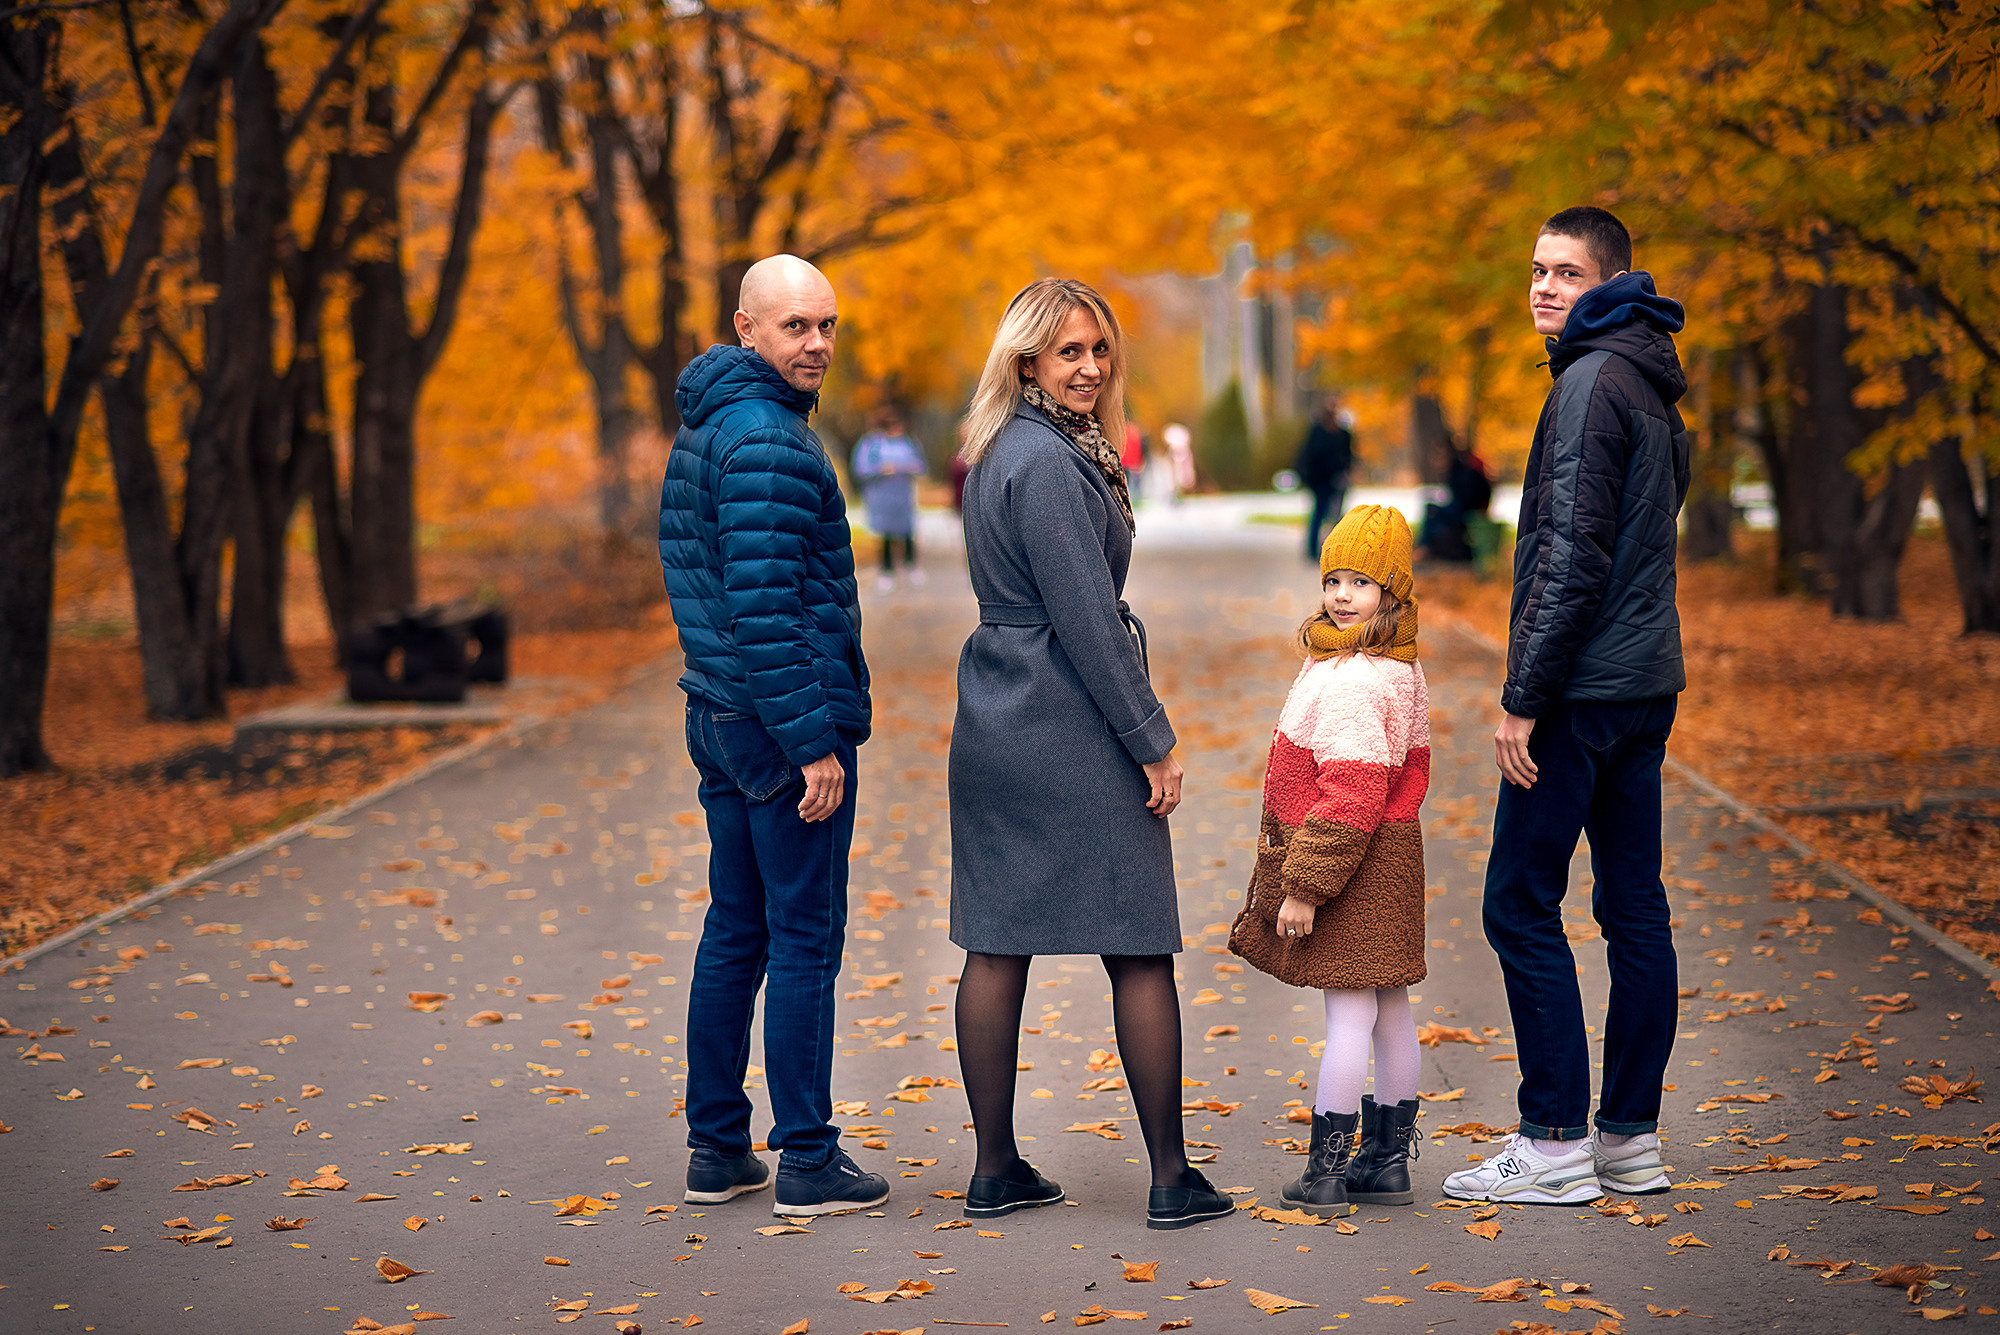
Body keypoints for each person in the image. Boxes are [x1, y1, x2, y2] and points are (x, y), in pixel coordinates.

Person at [947, 277, 1233, 1231]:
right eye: (1068, 351)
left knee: (998, 938)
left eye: (1100, 348)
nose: (1091, 367)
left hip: (997, 708)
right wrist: (1151, 741)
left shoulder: (997, 450)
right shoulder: (1049, 461)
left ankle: (995, 1169)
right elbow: (1087, 623)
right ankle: (1169, 1177)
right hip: (1066, 719)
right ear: (1026, 360)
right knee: (1139, 940)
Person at [1443, 207, 1691, 1206]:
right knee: (1633, 910)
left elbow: (1569, 561)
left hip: (1581, 694)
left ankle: (1551, 1144)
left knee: (1517, 902)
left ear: (1613, 279)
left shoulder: (1589, 383)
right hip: (1641, 686)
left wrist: (1520, 701)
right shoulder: (1644, 378)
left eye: (1565, 272)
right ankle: (1627, 1140)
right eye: (1534, 269)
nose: (1543, 287)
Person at [656, 254, 887, 1218]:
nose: (817, 344)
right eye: (795, 326)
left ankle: (717, 1149)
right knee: (801, 940)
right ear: (745, 328)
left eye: (827, 325)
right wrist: (812, 742)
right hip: (773, 724)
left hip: (718, 714)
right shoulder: (768, 443)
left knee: (735, 931)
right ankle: (805, 1158)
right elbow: (764, 610)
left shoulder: (713, 425)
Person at [1229, 505, 1431, 1217]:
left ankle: (1326, 1171)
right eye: (1334, 579)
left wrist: (1306, 887)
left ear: (1393, 592)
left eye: (1362, 582)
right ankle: (1386, 1162)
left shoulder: (1354, 679)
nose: (1343, 594)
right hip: (1393, 858)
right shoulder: (1397, 664)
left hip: (1354, 868)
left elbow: (1349, 793)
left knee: (1348, 1014)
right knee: (1390, 1006)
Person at [851, 405, 928, 592]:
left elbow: (920, 466)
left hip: (902, 496)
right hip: (881, 497)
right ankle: (887, 569)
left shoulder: (908, 443)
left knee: (907, 529)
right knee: (885, 532)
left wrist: (905, 467)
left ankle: (911, 565)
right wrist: (881, 469)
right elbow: (861, 468)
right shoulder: (871, 443)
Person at [1417, 435, 1495, 563]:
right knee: (1434, 516)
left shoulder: (1461, 473)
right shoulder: (1457, 471)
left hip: (1469, 511)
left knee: (1432, 511)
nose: (1437, 462)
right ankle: (1425, 548)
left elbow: (1463, 502)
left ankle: (1424, 548)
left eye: (1440, 456)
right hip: (1464, 509)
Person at [1295, 395, 1354, 559]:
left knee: (1337, 516)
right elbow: (1310, 456)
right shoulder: (1318, 432)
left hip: (1338, 480)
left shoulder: (1343, 433)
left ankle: (1335, 550)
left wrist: (1345, 473)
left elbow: (1348, 455)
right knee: (1319, 513)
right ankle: (1313, 550)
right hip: (1320, 481)